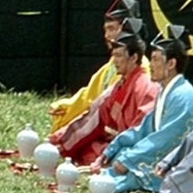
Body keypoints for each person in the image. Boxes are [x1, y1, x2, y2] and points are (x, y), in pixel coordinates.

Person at [91, 24, 193, 193]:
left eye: (155, 59)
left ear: (171, 63)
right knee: (121, 153)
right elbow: (144, 129)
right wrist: (113, 148)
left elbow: (167, 138)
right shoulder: (166, 91)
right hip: (163, 151)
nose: (150, 64)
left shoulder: (184, 95)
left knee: (130, 166)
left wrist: (129, 159)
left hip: (179, 161)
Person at [49, 17, 158, 165]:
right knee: (87, 148)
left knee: (108, 157)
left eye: (119, 56)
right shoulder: (120, 83)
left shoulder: (146, 86)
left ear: (134, 57)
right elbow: (95, 114)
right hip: (117, 141)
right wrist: (59, 140)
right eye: (114, 55)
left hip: (139, 149)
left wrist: (114, 149)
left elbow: (144, 132)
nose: (115, 61)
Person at [49, 0, 149, 133]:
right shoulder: (111, 65)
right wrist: (68, 107)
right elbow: (89, 95)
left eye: (112, 29)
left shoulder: (141, 69)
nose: (107, 35)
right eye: (105, 30)